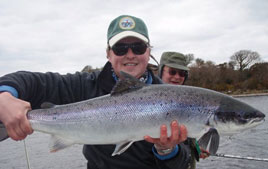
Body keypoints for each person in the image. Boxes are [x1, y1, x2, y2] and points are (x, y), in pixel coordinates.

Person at [0, 15, 191, 169]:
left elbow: (184, 162)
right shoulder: (86, 85)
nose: (130, 54)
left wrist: (167, 150)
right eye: (120, 48)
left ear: (149, 51)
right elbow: (32, 81)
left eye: (138, 47)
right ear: (108, 53)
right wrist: (4, 96)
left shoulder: (173, 99)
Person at [158, 51, 210, 169]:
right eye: (172, 72)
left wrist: (195, 149)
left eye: (182, 73)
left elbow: (184, 136)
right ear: (161, 71)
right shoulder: (146, 103)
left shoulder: (186, 101)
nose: (177, 77)